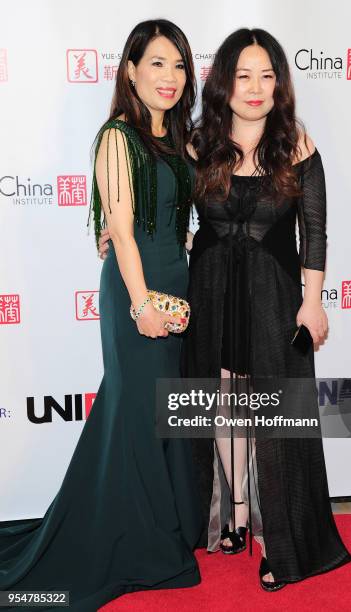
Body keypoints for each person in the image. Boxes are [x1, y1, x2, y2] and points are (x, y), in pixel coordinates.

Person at [98, 26, 351, 593]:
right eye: (244, 75)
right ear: (224, 83)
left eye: (267, 75)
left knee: (272, 415)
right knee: (217, 409)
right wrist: (109, 231)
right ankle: (232, 519)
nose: (256, 87)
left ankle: (281, 542)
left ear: (279, 84)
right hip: (209, 293)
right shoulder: (197, 144)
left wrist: (313, 302)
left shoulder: (297, 145)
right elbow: (156, 205)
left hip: (274, 298)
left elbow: (316, 231)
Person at [0, 19, 202, 611]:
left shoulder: (176, 138)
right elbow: (119, 226)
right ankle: (137, 545)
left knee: (160, 414)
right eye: (157, 63)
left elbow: (175, 217)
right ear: (131, 70)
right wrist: (140, 302)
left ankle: (163, 531)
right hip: (137, 295)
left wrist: (187, 250)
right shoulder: (117, 136)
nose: (169, 77)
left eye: (179, 65)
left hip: (176, 286)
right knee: (139, 415)